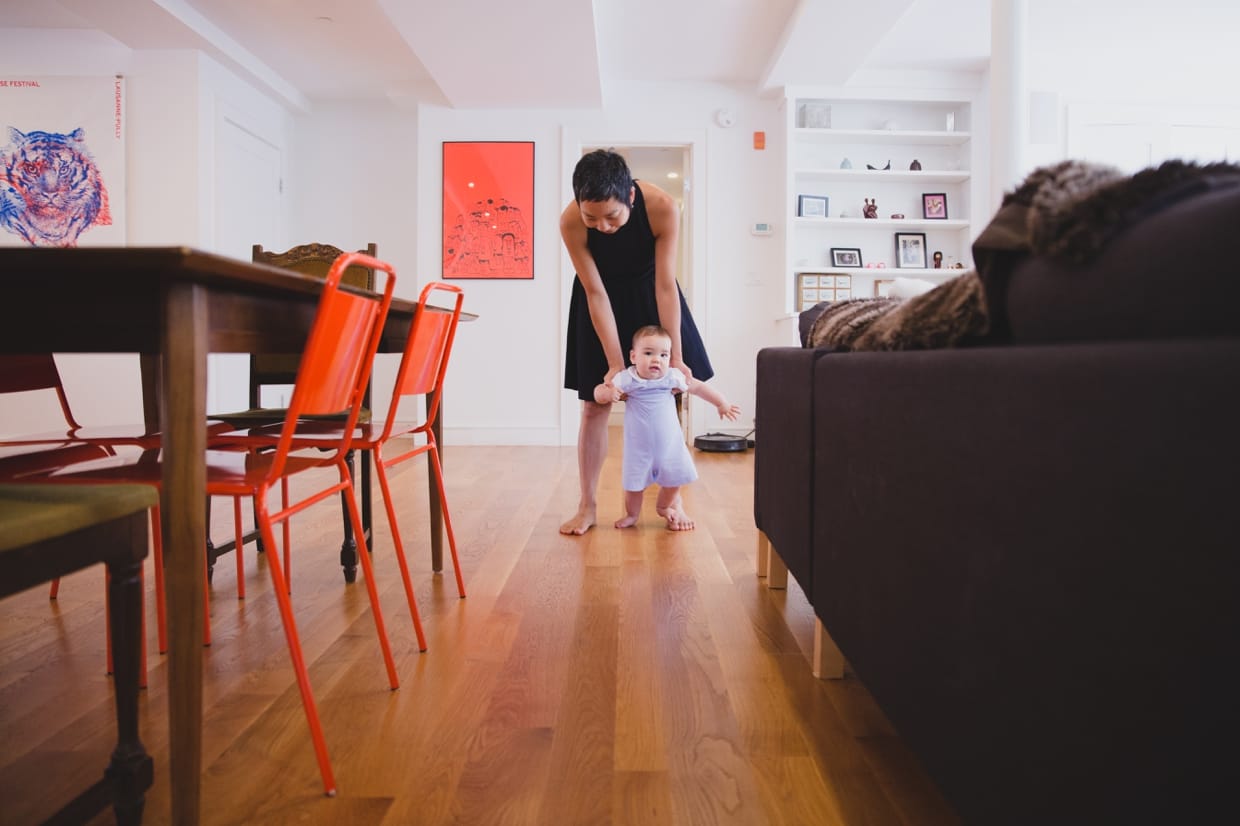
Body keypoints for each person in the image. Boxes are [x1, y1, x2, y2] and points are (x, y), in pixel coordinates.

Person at [560, 149, 715, 535]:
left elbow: (666, 286)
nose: (603, 227)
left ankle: (672, 500)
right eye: (591, 217)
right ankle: (587, 505)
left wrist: (675, 356)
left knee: (670, 391)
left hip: (650, 294)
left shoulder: (661, 205)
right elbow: (595, 293)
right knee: (594, 406)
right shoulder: (570, 222)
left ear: (630, 196)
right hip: (599, 302)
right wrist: (615, 364)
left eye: (611, 216)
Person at [594, 325, 739, 531]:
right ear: (633, 356)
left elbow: (698, 387)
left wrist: (721, 402)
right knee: (634, 487)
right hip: (639, 450)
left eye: (663, 355)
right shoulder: (627, 378)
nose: (656, 360)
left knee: (675, 479)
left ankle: (664, 507)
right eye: (648, 353)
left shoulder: (672, 377)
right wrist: (607, 394)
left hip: (670, 447)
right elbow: (599, 391)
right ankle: (632, 514)